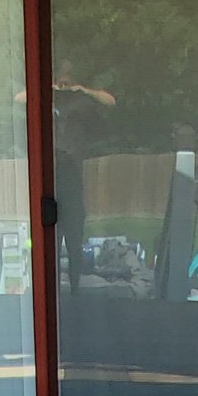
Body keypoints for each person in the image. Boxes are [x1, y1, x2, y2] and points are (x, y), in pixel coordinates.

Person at [49, 61, 115, 290]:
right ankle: (53, 290)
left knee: (75, 243)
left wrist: (84, 90)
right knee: (52, 245)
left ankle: (75, 289)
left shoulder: (81, 102)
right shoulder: (49, 99)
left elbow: (110, 101)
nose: (64, 85)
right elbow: (19, 98)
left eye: (69, 81)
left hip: (73, 186)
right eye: (61, 81)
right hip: (51, 188)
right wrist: (49, 89)